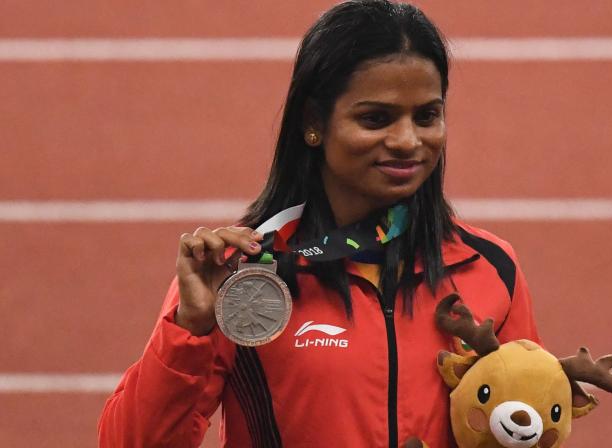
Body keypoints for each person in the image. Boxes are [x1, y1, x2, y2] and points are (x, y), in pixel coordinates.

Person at [98, 1, 540, 446]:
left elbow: (531, 428)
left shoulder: (489, 268)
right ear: (314, 122)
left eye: (427, 115)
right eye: (375, 119)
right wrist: (190, 330)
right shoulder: (241, 277)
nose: (408, 141)